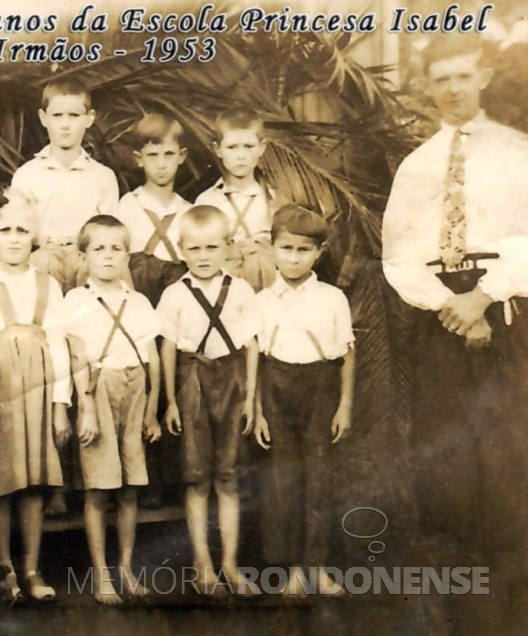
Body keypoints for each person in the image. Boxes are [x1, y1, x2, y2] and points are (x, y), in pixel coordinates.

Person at [382, 36, 528, 564]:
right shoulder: (416, 166)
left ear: (484, 77)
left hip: (502, 294)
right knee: (446, 422)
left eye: (462, 76)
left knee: (509, 421)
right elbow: (400, 255)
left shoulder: (520, 155)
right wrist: (449, 305)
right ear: (428, 86)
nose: (453, 89)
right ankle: (454, 550)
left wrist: (484, 298)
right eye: (442, 79)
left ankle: (517, 551)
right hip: (440, 307)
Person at [0, 190, 71, 602]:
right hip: (0, 389)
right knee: (3, 480)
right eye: (4, 229)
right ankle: (4, 566)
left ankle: (31, 567)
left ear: (34, 236)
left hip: (39, 392)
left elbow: (59, 345)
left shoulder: (49, 284)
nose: (13, 238)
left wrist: (61, 404)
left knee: (34, 480)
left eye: (22, 230)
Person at [249, 204, 355, 596]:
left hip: (319, 387)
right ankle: (293, 569)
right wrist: (256, 408)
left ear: (319, 252)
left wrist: (344, 405)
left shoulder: (332, 298)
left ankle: (319, 568)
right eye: (286, 249)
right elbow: (256, 360)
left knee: (319, 477)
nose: (294, 258)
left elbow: (346, 354)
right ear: (272, 248)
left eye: (303, 251)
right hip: (276, 387)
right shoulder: (262, 300)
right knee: (284, 480)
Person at [60, 215, 161, 604]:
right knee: (100, 487)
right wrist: (85, 409)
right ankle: (101, 573)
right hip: (97, 390)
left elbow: (150, 356)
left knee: (131, 486)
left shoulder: (138, 301)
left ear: (127, 255)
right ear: (83, 254)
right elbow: (76, 358)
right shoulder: (76, 300)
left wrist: (151, 410)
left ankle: (127, 567)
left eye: (116, 248)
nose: (107, 256)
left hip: (134, 389)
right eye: (98, 248)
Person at [157, 205, 257, 594]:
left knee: (228, 477)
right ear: (181, 250)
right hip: (192, 382)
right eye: (194, 249)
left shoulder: (242, 290)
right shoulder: (174, 294)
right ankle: (203, 565)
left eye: (212, 248)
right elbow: (167, 349)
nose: (203, 257)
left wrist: (250, 399)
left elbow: (251, 345)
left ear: (228, 248)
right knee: (197, 478)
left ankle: (230, 564)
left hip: (232, 383)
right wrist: (170, 401)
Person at [11, 78, 120, 292]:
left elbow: (109, 232)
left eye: (74, 115)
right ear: (44, 118)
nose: (65, 124)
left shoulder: (102, 176)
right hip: (43, 258)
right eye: (57, 115)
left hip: (85, 261)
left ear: (89, 119)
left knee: (98, 271)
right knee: (37, 267)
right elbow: (18, 229)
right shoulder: (27, 174)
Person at [195, 108, 285, 291]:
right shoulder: (207, 201)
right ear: (217, 150)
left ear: (262, 147)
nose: (241, 155)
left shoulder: (274, 199)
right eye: (232, 147)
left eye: (249, 146)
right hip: (223, 289)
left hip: (267, 286)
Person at [116, 112, 191, 306]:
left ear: (181, 156)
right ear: (139, 159)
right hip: (137, 294)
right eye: (152, 155)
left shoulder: (187, 210)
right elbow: (119, 258)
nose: (161, 164)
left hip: (177, 300)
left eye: (169, 154)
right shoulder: (129, 204)